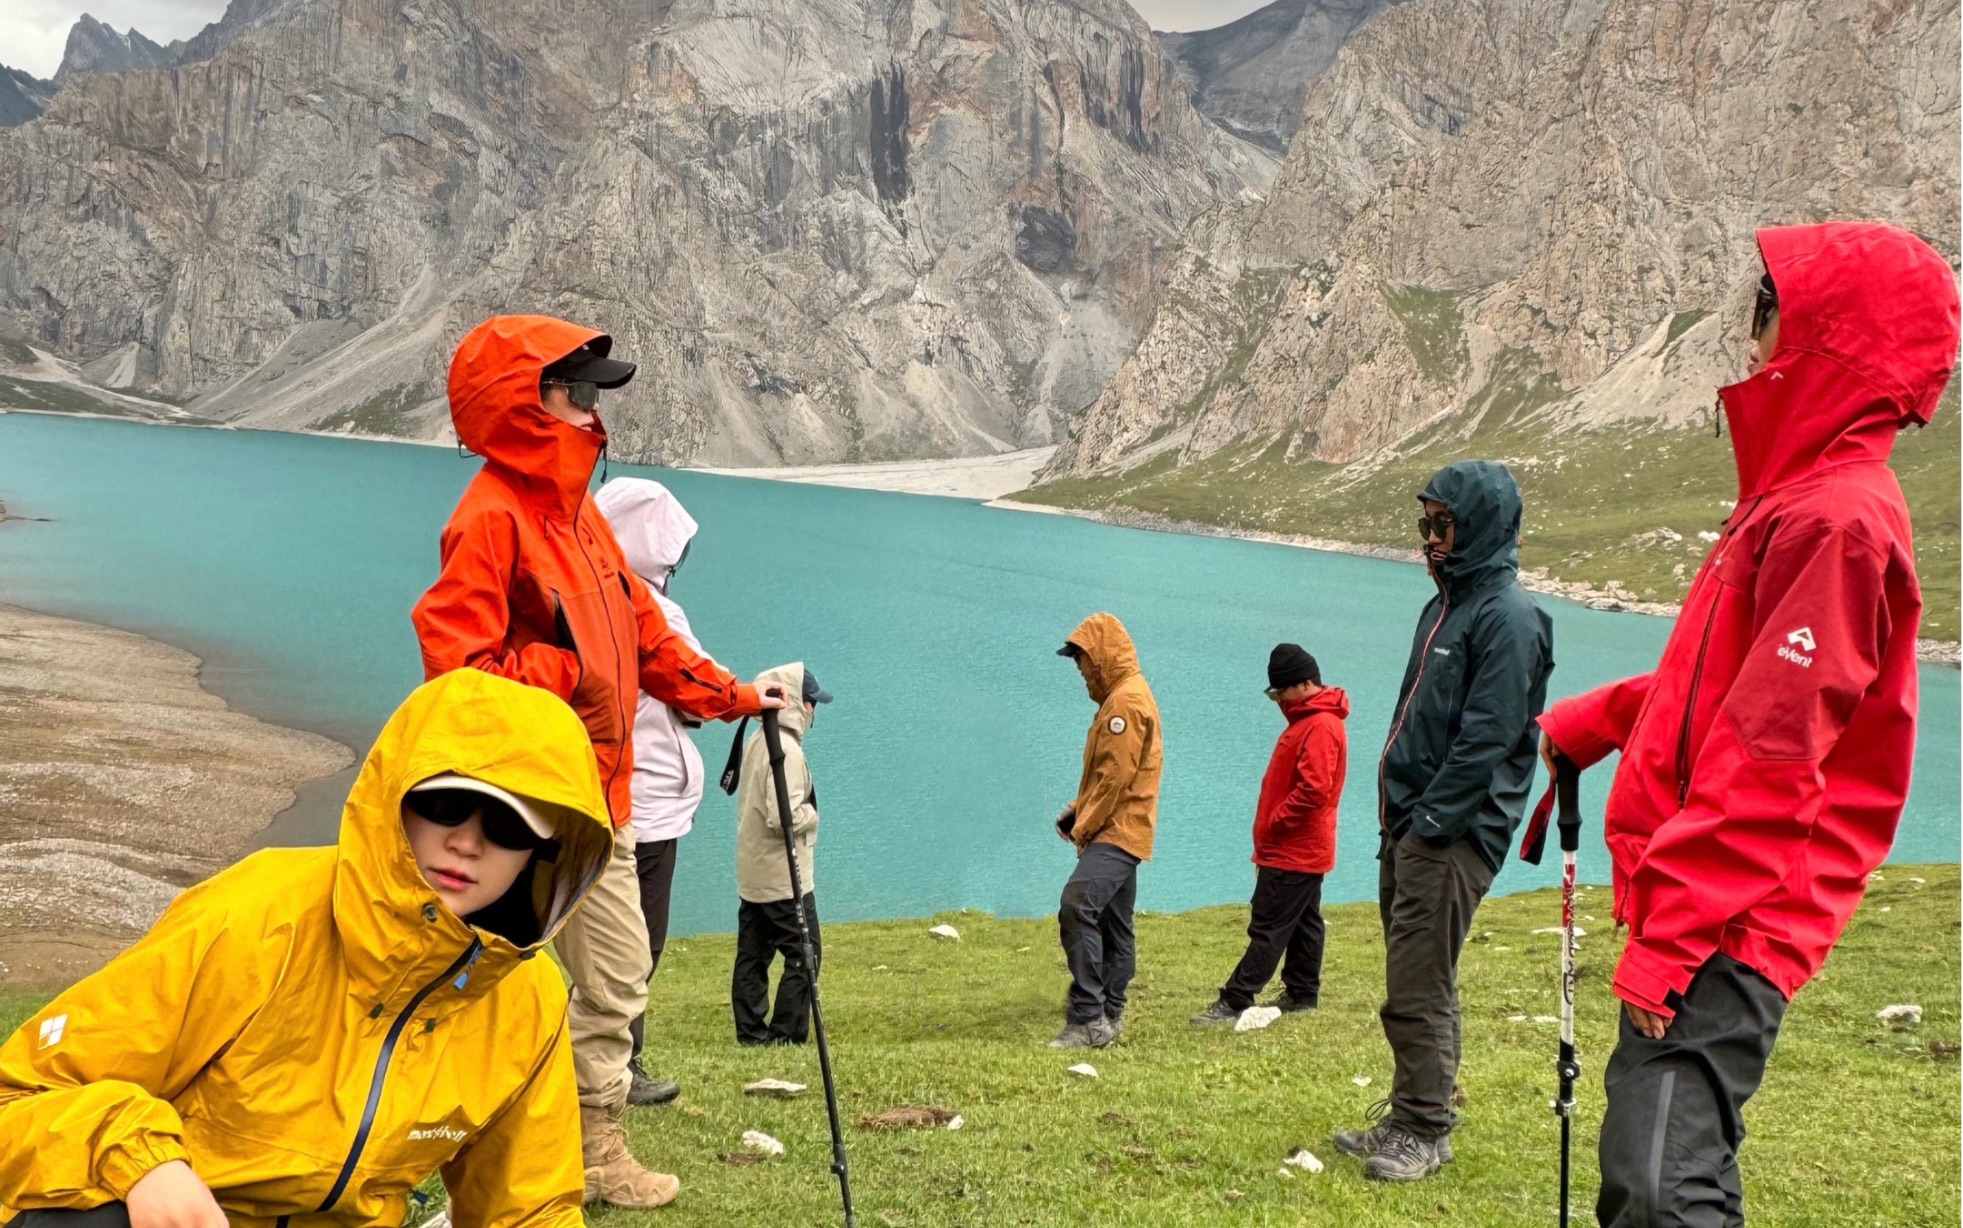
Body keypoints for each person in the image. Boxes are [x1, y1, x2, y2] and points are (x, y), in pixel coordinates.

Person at [1534, 223, 1959, 1228]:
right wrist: (1595, 721)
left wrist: (1670, 939)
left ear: (1828, 337)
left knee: (1658, 1184)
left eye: (1767, 316)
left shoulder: (1834, 520)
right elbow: (1722, 689)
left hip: (1735, 920)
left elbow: (1772, 753)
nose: (1749, 340)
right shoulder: (1794, 502)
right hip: (1719, 906)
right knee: (1658, 1160)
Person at [0, 670, 614, 1228]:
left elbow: (530, 1207)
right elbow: (17, 1100)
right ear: (392, 799)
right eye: (446, 804)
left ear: (544, 854)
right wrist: (140, 1162)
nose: (466, 842)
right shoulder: (257, 913)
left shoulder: (527, 999)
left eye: (509, 827)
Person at [412, 315, 781, 1209]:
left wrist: (731, 696)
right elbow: (456, 668)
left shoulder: (576, 514)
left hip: (594, 799)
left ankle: (588, 1143)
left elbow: (642, 632)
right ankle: (432, 1143)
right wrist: (569, 673)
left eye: (593, 393)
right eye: (575, 391)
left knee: (612, 975)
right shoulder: (491, 518)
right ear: (521, 401)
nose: (591, 409)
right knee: (478, 982)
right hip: (524, 811)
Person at [1333, 460, 1554, 1182]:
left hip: (1451, 834)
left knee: (1416, 986)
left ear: (1478, 527)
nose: (1429, 539)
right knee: (1420, 978)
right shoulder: (1444, 609)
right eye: (1425, 525)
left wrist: (1430, 822)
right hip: (1412, 824)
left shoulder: (1509, 618)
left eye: (1443, 525)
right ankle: (1413, 1115)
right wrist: (1403, 817)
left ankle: (1422, 1131)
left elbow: (1487, 739)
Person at [594, 477, 716, 1107]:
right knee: (638, 941)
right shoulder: (655, 611)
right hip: (648, 805)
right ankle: (618, 1065)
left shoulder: (587, 595)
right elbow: (695, 694)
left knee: (607, 938)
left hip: (602, 797)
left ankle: (602, 1059)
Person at [1193, 643, 1349, 1025]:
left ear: (1302, 685)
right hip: (1304, 847)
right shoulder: (1312, 721)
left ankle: (1235, 1000)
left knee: (1269, 925)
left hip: (1293, 848)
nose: (1277, 699)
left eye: (1278, 692)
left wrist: (1276, 822)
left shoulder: (1319, 725)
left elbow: (1314, 789)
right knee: (1304, 920)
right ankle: (1302, 991)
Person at [1050, 613, 1163, 1050]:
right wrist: (1078, 810)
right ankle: (1110, 1013)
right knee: (1116, 924)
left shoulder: (1124, 706)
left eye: (1081, 659)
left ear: (1100, 657)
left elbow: (1115, 778)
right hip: (1125, 828)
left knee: (1077, 906)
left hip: (1118, 831)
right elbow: (1111, 775)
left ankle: (1089, 1017)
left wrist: (1085, 823)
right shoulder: (1124, 696)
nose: (1078, 670)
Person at [726, 662, 832, 1046]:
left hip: (753, 874)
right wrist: (813, 816)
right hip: (784, 879)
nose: (815, 710)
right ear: (798, 705)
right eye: (812, 702)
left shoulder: (759, 738)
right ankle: (786, 1035)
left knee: (752, 955)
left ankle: (751, 1033)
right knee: (806, 954)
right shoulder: (785, 749)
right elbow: (782, 816)